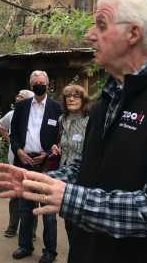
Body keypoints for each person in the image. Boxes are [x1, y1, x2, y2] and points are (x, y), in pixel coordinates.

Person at [0, 0, 147, 263]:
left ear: (133, 33)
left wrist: (71, 199)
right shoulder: (107, 98)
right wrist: (45, 182)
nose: (90, 34)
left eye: (101, 25)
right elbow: (90, 168)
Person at [9, 71, 63, 263]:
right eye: (36, 82)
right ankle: (25, 245)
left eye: (42, 82)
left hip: (47, 165)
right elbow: (13, 134)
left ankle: (50, 252)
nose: (39, 85)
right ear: (31, 85)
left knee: (48, 211)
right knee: (26, 208)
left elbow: (61, 137)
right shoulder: (21, 106)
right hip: (25, 163)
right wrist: (19, 152)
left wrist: (47, 154)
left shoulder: (57, 108)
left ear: (48, 84)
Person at [49, 84, 90, 257]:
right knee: (67, 219)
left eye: (76, 96)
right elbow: (64, 143)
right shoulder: (62, 120)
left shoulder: (89, 120)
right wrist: (56, 147)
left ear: (83, 99)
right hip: (63, 174)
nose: (71, 99)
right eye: (68, 96)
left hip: (82, 176)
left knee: (80, 222)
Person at [0, 89, 35, 238]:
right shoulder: (12, 114)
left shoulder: (34, 117)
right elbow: (0, 125)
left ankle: (30, 230)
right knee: (15, 195)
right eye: (18, 95)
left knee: (32, 196)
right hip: (14, 161)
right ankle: (12, 226)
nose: (18, 98)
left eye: (22, 97)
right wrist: (10, 140)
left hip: (32, 163)